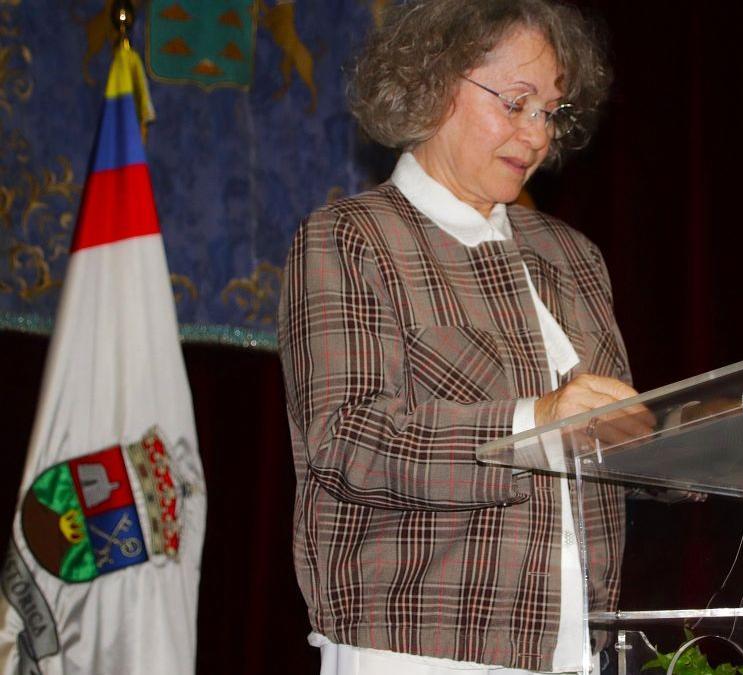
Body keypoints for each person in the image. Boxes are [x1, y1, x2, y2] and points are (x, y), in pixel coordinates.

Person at [277, 1, 648, 673]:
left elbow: (609, 447)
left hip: (577, 649)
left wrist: (684, 444)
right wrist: (535, 421)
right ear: (433, 80)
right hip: (417, 650)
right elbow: (347, 440)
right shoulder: (350, 238)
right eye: (515, 102)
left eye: (550, 112)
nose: (537, 138)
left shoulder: (574, 257)